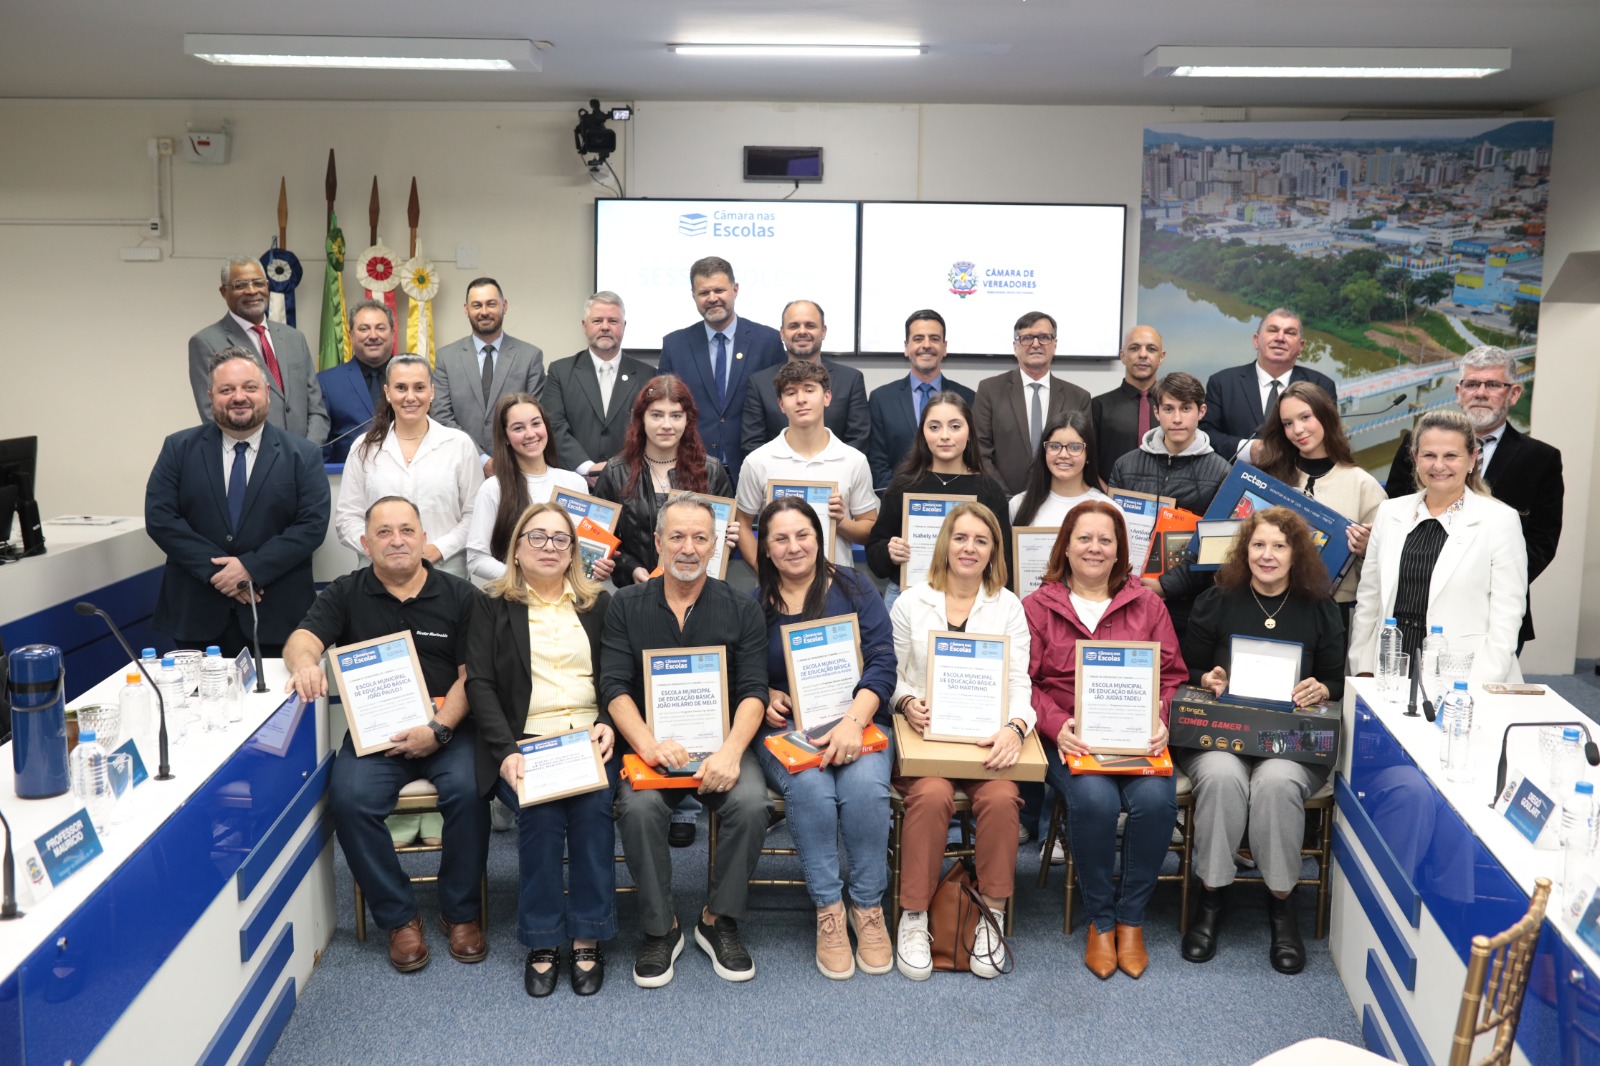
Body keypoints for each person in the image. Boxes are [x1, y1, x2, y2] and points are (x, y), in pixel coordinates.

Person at [285, 496, 488, 973]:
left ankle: (459, 912)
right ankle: (399, 918)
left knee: (470, 789)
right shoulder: (345, 592)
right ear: (365, 542)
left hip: (448, 728)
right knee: (349, 798)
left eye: (406, 530)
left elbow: (471, 677)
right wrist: (304, 664)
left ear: (422, 538)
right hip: (375, 736)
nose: (396, 540)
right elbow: (303, 639)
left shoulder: (461, 596)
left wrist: (437, 730)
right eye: (383, 532)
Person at [600, 494, 771, 987]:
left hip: (721, 747)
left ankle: (719, 920)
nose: (689, 548)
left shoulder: (741, 608)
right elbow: (612, 688)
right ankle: (661, 927)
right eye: (677, 536)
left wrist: (733, 752)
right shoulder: (625, 607)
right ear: (656, 543)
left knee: (752, 801)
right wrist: (648, 746)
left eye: (700, 537)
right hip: (651, 747)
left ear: (716, 544)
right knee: (638, 808)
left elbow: (754, 691)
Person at [1177, 507, 1345, 975]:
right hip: (1220, 736)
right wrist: (1205, 676)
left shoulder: (1319, 607)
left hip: (1290, 742)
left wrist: (1323, 688)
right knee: (1223, 777)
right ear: (1243, 550)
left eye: (1279, 546)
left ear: (1297, 555)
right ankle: (1211, 898)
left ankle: (1281, 905)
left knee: (1274, 784)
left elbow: (1338, 679)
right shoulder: (1218, 600)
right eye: (1258, 545)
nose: (1267, 555)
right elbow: (1184, 671)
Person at [1022, 500, 1186, 981]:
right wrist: (1056, 726)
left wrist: (1161, 717)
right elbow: (1022, 682)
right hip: (1070, 739)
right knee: (1093, 800)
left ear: (1119, 551)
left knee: (1156, 802)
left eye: (1105, 540)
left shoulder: (1148, 604)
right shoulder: (1036, 607)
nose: (1095, 548)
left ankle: (1131, 921)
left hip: (1139, 739)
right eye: (1085, 538)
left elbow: (1173, 676)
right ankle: (1101, 919)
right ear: (1066, 547)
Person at [468, 502, 617, 998]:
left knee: (594, 808)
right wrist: (507, 750)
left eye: (560, 539)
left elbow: (621, 678)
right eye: (538, 537)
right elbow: (482, 686)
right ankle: (542, 939)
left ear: (573, 550)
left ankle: (587, 934)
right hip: (524, 742)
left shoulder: (599, 604)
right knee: (542, 814)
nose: (549, 547)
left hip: (589, 738)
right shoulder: (491, 605)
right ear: (516, 549)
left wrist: (606, 722)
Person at [752, 497, 897, 980]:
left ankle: (868, 908)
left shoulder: (855, 586)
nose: (794, 547)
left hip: (857, 720)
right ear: (766, 549)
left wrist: (854, 722)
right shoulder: (754, 604)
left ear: (820, 537)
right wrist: (766, 691)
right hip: (786, 730)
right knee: (812, 788)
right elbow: (741, 673)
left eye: (803, 535)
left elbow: (882, 662)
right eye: (781, 539)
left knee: (864, 790)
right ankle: (829, 912)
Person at [890, 502, 1034, 980]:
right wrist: (907, 702)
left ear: (994, 550)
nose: (969, 548)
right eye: (961, 537)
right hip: (926, 737)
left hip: (984, 741)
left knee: (1002, 797)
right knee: (930, 796)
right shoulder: (912, 600)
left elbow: (1020, 682)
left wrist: (1015, 727)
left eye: (981, 540)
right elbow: (889, 673)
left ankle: (990, 915)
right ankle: (914, 917)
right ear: (945, 543)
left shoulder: (1008, 605)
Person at [146, 348, 330, 657]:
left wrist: (250, 567)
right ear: (210, 396)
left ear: (267, 393)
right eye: (226, 390)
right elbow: (160, 518)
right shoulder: (178, 448)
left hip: (277, 615)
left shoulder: (303, 454)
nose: (238, 397)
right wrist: (221, 572)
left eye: (249, 387)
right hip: (196, 616)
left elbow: (311, 526)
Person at [1382, 345, 1562, 652]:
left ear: (1513, 393)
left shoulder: (1541, 459)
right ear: (1458, 391)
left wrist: (1479, 580)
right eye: (1472, 384)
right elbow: (1395, 514)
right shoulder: (1415, 445)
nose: (1480, 392)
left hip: (1489, 611)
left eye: (1492, 384)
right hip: (1410, 600)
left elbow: (1542, 541)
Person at [1349, 409, 1528, 684]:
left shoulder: (1500, 521)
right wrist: (1363, 667)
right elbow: (1369, 600)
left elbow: (1507, 618)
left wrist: (1476, 684)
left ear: (1471, 459)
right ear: (1415, 458)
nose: (1438, 465)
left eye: (1451, 456)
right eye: (1429, 455)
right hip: (1391, 667)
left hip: (1465, 675)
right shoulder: (1389, 512)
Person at [335, 353, 482, 580]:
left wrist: (438, 549)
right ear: (387, 392)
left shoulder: (459, 445)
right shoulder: (363, 448)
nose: (410, 397)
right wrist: (380, 549)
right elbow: (347, 518)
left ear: (432, 392)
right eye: (401, 388)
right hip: (377, 576)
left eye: (419, 387)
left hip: (445, 573)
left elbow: (475, 514)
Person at [1255, 382, 1385, 631]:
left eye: (1305, 417)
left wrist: (1369, 549)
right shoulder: (1269, 478)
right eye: (1288, 423)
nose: (1298, 430)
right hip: (1269, 606)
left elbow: (1385, 567)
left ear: (1325, 415)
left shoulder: (1364, 486)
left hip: (1333, 613)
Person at [1109, 372, 1232, 634]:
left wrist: (1167, 586)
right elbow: (1112, 533)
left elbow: (1217, 550)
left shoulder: (1222, 473)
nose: (1177, 418)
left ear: (1201, 411)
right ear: (1156, 411)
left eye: (1186, 408)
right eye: (1169, 408)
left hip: (1188, 606)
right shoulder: (1125, 465)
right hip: (1126, 595)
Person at [867, 392, 1012, 608]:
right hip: (907, 599)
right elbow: (874, 554)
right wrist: (890, 552)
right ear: (923, 434)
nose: (945, 436)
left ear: (970, 432)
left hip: (972, 602)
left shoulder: (989, 491)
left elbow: (1004, 561)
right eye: (934, 427)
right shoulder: (904, 485)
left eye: (955, 426)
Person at [594, 374, 738, 588]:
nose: (667, 425)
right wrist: (631, 568)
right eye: (657, 415)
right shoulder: (615, 472)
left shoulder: (711, 470)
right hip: (636, 593)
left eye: (676, 416)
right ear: (641, 419)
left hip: (698, 593)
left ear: (688, 420)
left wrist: (731, 540)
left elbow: (720, 544)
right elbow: (603, 541)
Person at [736, 360, 878, 569]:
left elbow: (869, 529)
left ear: (827, 397)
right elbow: (743, 526)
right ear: (781, 404)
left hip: (837, 586)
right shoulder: (758, 461)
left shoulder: (853, 460)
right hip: (778, 592)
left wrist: (841, 521)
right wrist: (766, 574)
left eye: (810, 390)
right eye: (791, 393)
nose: (801, 399)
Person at [657, 257, 785, 482]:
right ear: (693, 296)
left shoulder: (768, 341)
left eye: (719, 290)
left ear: (735, 290)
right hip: (691, 469)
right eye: (704, 293)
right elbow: (662, 410)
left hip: (753, 469)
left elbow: (779, 407)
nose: (712, 298)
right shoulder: (675, 345)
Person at [188, 256, 328, 445]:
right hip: (253, 462)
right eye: (240, 285)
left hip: (303, 459)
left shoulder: (295, 338)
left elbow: (316, 408)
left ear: (267, 286)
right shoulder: (205, 342)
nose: (252, 291)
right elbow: (213, 414)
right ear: (224, 292)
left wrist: (308, 451)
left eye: (258, 283)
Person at [465, 393, 593, 583]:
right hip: (514, 599)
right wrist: (526, 582)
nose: (531, 434)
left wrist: (596, 567)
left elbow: (582, 551)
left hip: (565, 599)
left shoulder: (575, 483)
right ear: (505, 436)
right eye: (518, 428)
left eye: (536, 423)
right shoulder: (493, 488)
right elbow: (476, 559)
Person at [972, 311, 1092, 495]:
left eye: (1044, 337)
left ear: (1055, 344)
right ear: (1015, 346)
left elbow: (1082, 454)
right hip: (1002, 501)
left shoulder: (1078, 397)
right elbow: (980, 452)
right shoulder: (990, 390)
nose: (1036, 344)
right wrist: (1004, 499)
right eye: (1027, 338)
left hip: (1058, 502)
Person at [431, 277, 546, 465]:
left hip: (517, 464)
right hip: (461, 463)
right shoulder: (446, 358)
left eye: (491, 304)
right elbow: (441, 415)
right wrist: (482, 459)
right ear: (466, 310)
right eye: (476, 305)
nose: (484, 312)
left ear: (504, 306)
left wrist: (504, 461)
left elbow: (535, 417)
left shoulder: (530, 356)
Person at [1200, 307, 1337, 464]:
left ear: (1301, 346)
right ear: (1256, 340)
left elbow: (1330, 437)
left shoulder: (1321, 386)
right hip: (1235, 480)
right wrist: (1249, 450)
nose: (1280, 338)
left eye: (1290, 333)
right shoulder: (1222, 383)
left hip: (1299, 482)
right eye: (1273, 330)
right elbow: (1205, 434)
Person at [543, 291, 651, 485]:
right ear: (584, 326)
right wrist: (587, 468)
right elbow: (554, 427)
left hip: (632, 483)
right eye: (597, 321)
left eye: (613, 321)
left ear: (624, 326)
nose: (605, 327)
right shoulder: (560, 372)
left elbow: (650, 432)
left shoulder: (648, 376)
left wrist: (619, 471)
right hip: (574, 482)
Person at [741, 299, 870, 457]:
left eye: (810, 325)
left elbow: (858, 440)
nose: (802, 331)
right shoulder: (759, 383)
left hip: (835, 477)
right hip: (778, 478)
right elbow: (753, 444)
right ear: (782, 333)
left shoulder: (850, 380)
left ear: (823, 331)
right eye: (794, 326)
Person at [867, 310, 975, 491]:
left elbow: (972, 455)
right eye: (918, 339)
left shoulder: (968, 397)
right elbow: (877, 461)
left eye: (934, 338)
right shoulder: (881, 399)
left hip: (956, 501)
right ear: (906, 346)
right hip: (898, 501)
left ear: (944, 347)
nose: (926, 345)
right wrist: (900, 498)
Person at [318, 299, 396, 464]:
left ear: (392, 333)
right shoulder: (327, 382)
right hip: (346, 479)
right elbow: (322, 445)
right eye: (364, 329)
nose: (373, 336)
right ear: (350, 334)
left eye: (380, 328)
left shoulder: (414, 378)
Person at [1090, 325, 1166, 486]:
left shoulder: (1173, 409)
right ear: (1123, 356)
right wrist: (1108, 497)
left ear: (1161, 357)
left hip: (1164, 503)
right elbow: (1087, 461)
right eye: (1134, 348)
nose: (1143, 354)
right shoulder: (1098, 406)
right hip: (1109, 501)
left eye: (1151, 349)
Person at [1009, 411, 1112, 530]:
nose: (1063, 455)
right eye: (1054, 446)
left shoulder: (1108, 508)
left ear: (1088, 454)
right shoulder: (1018, 505)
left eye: (1075, 447)